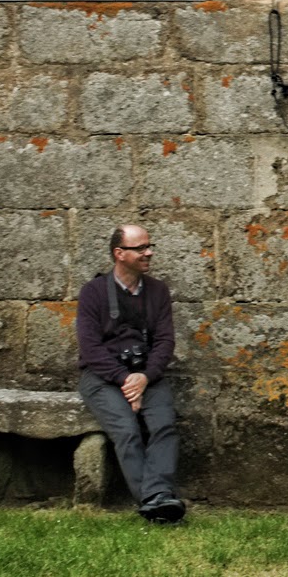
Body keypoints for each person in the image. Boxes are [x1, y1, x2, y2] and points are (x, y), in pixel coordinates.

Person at [76, 224, 185, 523]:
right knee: (126, 430)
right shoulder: (93, 292)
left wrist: (145, 377)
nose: (148, 253)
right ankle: (156, 499)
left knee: (164, 425)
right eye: (140, 248)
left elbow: (165, 341)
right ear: (119, 253)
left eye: (149, 246)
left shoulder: (158, 291)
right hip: (102, 376)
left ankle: (158, 497)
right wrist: (125, 380)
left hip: (147, 375)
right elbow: (90, 348)